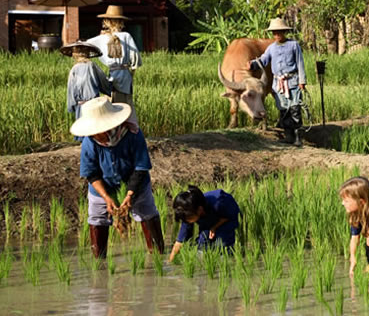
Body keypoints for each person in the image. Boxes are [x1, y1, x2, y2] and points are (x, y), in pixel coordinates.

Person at [72, 97, 164, 258]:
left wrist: (129, 194)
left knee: (147, 212)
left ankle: (158, 256)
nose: (94, 134)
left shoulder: (133, 135)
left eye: (97, 130)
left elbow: (141, 167)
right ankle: (99, 262)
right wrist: (106, 197)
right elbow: (91, 173)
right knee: (97, 218)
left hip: (136, 184)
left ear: (108, 127)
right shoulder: (90, 142)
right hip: (102, 187)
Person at [249, 17, 307, 146]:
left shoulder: (294, 45)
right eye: (274, 33)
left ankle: (298, 137)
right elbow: (263, 60)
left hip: (292, 81)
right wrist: (252, 64)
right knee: (283, 109)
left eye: (279, 32)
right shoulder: (271, 48)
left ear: (284, 32)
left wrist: (302, 80)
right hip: (278, 83)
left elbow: (300, 63)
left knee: (295, 108)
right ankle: (288, 136)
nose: (277, 35)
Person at [88, 5, 142, 124]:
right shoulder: (126, 36)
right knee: (127, 104)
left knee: (114, 105)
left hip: (113, 74)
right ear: (121, 22)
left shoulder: (101, 38)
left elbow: (86, 46)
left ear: (107, 21)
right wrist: (132, 71)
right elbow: (135, 58)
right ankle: (130, 129)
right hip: (125, 75)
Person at [168, 186, 241, 262]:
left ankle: (228, 260)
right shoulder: (187, 214)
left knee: (222, 243)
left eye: (189, 218)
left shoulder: (218, 203)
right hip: (206, 217)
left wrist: (214, 227)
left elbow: (228, 217)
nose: (188, 221)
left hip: (226, 216)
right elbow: (179, 242)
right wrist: (170, 262)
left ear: (200, 209)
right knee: (203, 243)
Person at [60, 41, 111, 122]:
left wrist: (71, 107)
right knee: (94, 130)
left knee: (82, 129)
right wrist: (110, 90)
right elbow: (104, 83)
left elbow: (71, 91)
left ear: (74, 54)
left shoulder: (74, 69)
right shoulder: (92, 66)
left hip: (81, 106)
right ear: (87, 53)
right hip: (94, 105)